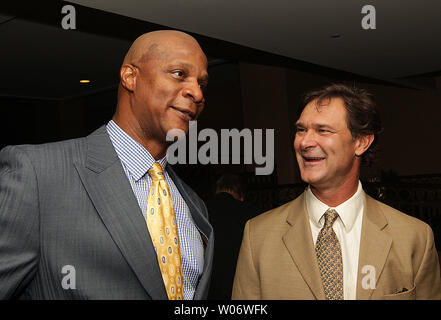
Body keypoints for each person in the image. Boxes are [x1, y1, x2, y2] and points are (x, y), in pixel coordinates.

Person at [0, 30, 213, 300]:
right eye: (179, 74)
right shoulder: (38, 176)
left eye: (202, 84)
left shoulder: (194, 205)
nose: (196, 93)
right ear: (130, 77)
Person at [232, 83, 441, 300]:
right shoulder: (258, 236)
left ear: (361, 142)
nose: (304, 142)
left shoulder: (414, 238)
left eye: (323, 130)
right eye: (301, 130)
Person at [206, 173, 258, 299]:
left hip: (208, 288)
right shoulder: (250, 212)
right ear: (241, 196)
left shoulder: (202, 210)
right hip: (239, 285)